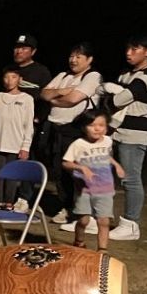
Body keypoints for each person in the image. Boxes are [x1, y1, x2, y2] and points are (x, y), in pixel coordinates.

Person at [99, 32, 147, 241]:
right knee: (105, 174)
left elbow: (119, 99)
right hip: (115, 130)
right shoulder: (126, 74)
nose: (128, 53)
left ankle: (131, 224)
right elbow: (110, 100)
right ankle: (101, 217)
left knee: (130, 178)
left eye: (134, 49)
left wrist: (112, 89)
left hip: (135, 133)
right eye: (127, 49)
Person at [41, 43, 103, 225]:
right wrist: (61, 91)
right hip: (56, 128)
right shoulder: (63, 75)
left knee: (78, 172)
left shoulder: (92, 76)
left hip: (76, 130)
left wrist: (55, 100)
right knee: (59, 170)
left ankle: (83, 212)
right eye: (72, 56)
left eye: (78, 57)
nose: (73, 60)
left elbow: (73, 99)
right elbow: (44, 94)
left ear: (89, 60)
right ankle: (67, 207)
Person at [62, 111, 125, 252]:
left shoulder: (108, 141)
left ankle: (102, 250)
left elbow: (107, 156)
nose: (97, 128)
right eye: (92, 125)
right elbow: (66, 163)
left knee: (104, 221)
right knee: (83, 220)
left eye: (101, 125)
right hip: (85, 189)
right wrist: (81, 167)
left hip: (105, 189)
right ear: (84, 127)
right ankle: (79, 241)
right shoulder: (78, 144)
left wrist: (117, 165)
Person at [0, 66, 35, 209]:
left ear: (20, 79)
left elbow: (28, 125)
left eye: (13, 77)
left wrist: (25, 146)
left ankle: (9, 201)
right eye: (6, 77)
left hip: (15, 144)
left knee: (12, 174)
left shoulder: (27, 99)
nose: (9, 80)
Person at [11, 34, 52, 213]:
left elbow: (46, 99)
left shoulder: (41, 72)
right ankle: (3, 196)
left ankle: (24, 198)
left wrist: (38, 120)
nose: (19, 51)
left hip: (31, 124)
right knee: (5, 159)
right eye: (17, 47)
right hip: (9, 124)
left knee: (29, 158)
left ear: (33, 51)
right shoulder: (9, 69)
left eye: (24, 48)